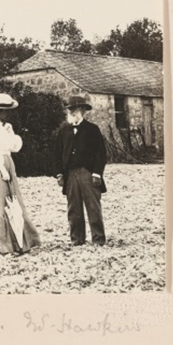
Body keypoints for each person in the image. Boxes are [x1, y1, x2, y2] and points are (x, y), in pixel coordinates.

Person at [0, 93, 41, 254]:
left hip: (8, 162)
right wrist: (1, 168)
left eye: (8, 111)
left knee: (14, 201)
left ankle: (20, 242)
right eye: (2, 111)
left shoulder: (6, 127)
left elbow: (15, 147)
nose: (6, 114)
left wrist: (11, 132)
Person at [54, 95, 108, 246]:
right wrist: (59, 173)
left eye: (75, 109)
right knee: (74, 208)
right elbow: (56, 153)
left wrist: (97, 173)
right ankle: (77, 239)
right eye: (70, 109)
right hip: (70, 174)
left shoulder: (92, 130)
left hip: (88, 173)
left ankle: (98, 239)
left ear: (83, 110)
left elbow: (101, 154)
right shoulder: (63, 130)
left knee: (93, 207)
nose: (72, 112)